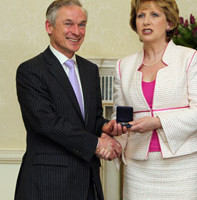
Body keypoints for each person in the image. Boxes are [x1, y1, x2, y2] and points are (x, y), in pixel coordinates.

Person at [15, 0, 122, 199]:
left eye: (82, 24)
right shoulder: (31, 70)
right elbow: (46, 123)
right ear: (49, 27)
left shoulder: (90, 71)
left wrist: (106, 127)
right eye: (68, 23)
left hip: (87, 182)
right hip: (48, 184)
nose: (77, 31)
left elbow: (92, 119)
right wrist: (97, 144)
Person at [107, 0, 197, 199]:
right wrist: (115, 141)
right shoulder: (123, 66)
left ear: (170, 23)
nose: (146, 21)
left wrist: (157, 122)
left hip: (183, 166)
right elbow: (120, 117)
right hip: (138, 167)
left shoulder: (190, 59)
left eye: (154, 15)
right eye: (141, 15)